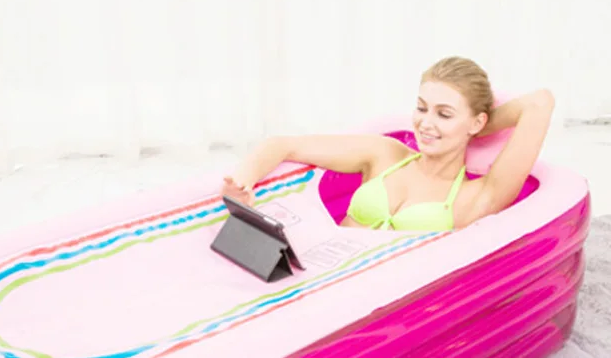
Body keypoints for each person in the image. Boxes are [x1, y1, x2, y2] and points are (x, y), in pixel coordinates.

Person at [221, 57, 555, 232]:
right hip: (323, 278)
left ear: (478, 122)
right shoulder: (386, 155)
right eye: (422, 108)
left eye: (444, 113)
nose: (425, 123)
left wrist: (474, 127)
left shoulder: (477, 197)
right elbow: (283, 145)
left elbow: (539, 103)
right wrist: (242, 184)